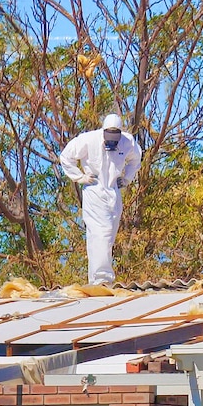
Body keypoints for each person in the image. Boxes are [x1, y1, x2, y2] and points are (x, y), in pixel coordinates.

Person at [60, 114, 142, 285]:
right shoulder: (88, 140)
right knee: (101, 233)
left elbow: (136, 159)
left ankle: (94, 279)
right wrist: (79, 177)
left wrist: (127, 178)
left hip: (113, 192)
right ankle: (102, 279)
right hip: (94, 191)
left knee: (107, 236)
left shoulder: (127, 142)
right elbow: (66, 156)